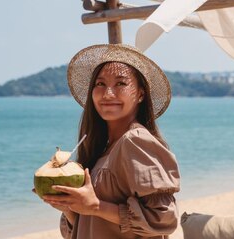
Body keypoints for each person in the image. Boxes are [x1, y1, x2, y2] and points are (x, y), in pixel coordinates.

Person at [40, 44, 180, 239]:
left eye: (121, 84)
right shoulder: (103, 149)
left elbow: (164, 218)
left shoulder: (135, 141)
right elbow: (93, 226)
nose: (108, 94)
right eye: (100, 84)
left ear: (140, 94)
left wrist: (96, 206)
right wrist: (70, 207)